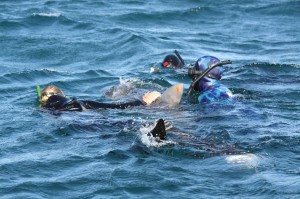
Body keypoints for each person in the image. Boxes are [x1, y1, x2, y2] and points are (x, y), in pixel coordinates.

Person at [161, 51, 233, 103]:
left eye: (194, 74)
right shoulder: (225, 90)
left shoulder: (205, 97)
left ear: (201, 75)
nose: (193, 78)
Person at [39, 85, 162, 111]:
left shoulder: (52, 111)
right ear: (62, 95)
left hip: (79, 125)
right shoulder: (73, 102)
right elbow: (112, 106)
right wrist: (141, 101)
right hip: (80, 112)